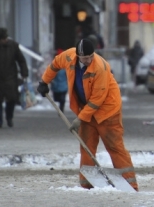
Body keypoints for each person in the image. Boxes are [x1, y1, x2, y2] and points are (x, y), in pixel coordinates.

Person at [36, 38, 138, 191]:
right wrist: (44, 82)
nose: (89, 60)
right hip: (86, 109)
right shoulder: (69, 56)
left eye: (91, 56)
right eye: (85, 58)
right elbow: (55, 64)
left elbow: (97, 100)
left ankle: (130, 184)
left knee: (115, 147)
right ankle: (87, 184)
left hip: (108, 111)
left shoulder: (101, 67)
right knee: (86, 147)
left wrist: (80, 119)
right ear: (78, 56)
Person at [0, 27, 28, 128]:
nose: (6, 40)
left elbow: (21, 60)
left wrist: (24, 72)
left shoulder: (13, 46)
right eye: (3, 38)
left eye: (6, 37)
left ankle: (9, 117)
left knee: (11, 99)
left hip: (10, 76)